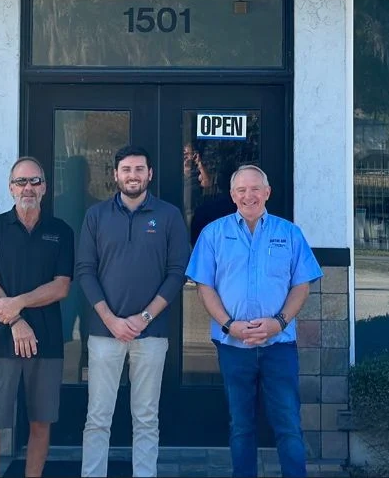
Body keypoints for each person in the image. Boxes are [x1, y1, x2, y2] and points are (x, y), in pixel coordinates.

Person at [185, 163, 322, 478]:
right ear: (233, 195)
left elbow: (301, 285)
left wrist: (279, 322)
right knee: (241, 426)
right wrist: (229, 325)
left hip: (279, 346)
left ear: (267, 192)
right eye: (242, 190)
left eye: (255, 189)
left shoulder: (289, 233)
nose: (249, 196)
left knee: (289, 424)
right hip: (233, 346)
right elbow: (205, 287)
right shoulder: (213, 234)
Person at [76, 145, 191, 478]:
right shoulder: (96, 216)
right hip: (104, 333)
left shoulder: (169, 216)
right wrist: (110, 320)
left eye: (139, 169)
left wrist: (144, 318)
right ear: (115, 175)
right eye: (126, 169)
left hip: (151, 333)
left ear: (149, 174)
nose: (133, 175)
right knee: (97, 418)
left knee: (146, 418)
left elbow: (177, 272)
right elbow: (85, 270)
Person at [0, 157, 74, 478]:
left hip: (46, 338)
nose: (28, 188)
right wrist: (16, 321)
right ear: (11, 188)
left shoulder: (61, 231)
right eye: (21, 182)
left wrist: (17, 303)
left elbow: (61, 287)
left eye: (34, 181)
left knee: (41, 422)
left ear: (44, 187)